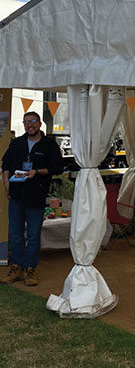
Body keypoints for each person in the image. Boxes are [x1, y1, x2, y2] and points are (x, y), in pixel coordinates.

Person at [2, 111, 64, 286]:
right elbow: (5, 164)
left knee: (33, 235)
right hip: (16, 196)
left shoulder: (49, 145)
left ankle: (30, 270)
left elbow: (58, 167)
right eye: (26, 122)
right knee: (16, 234)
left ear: (39, 124)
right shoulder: (17, 143)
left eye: (33, 121)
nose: (29, 125)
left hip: (36, 196)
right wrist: (6, 183)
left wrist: (37, 172)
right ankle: (16, 268)